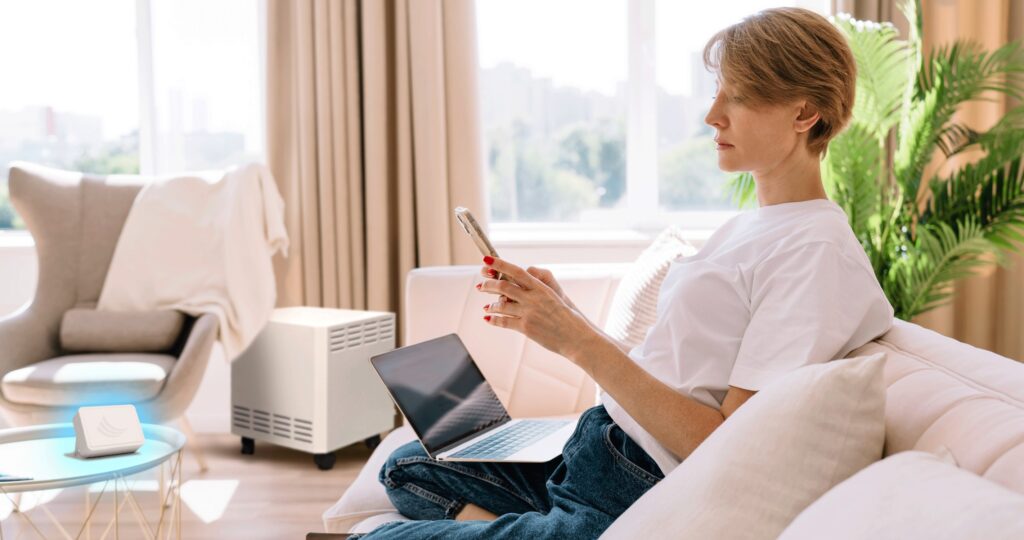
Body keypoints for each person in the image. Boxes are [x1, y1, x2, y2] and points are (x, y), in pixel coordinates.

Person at [355, 6, 894, 539]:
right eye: (718, 91)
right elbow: (680, 374)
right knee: (407, 468)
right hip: (599, 444)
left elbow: (725, 443)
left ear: (805, 114)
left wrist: (580, 343)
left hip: (632, 485)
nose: (713, 115)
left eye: (740, 96)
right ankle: (536, 531)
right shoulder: (757, 226)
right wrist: (564, 316)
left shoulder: (816, 253)